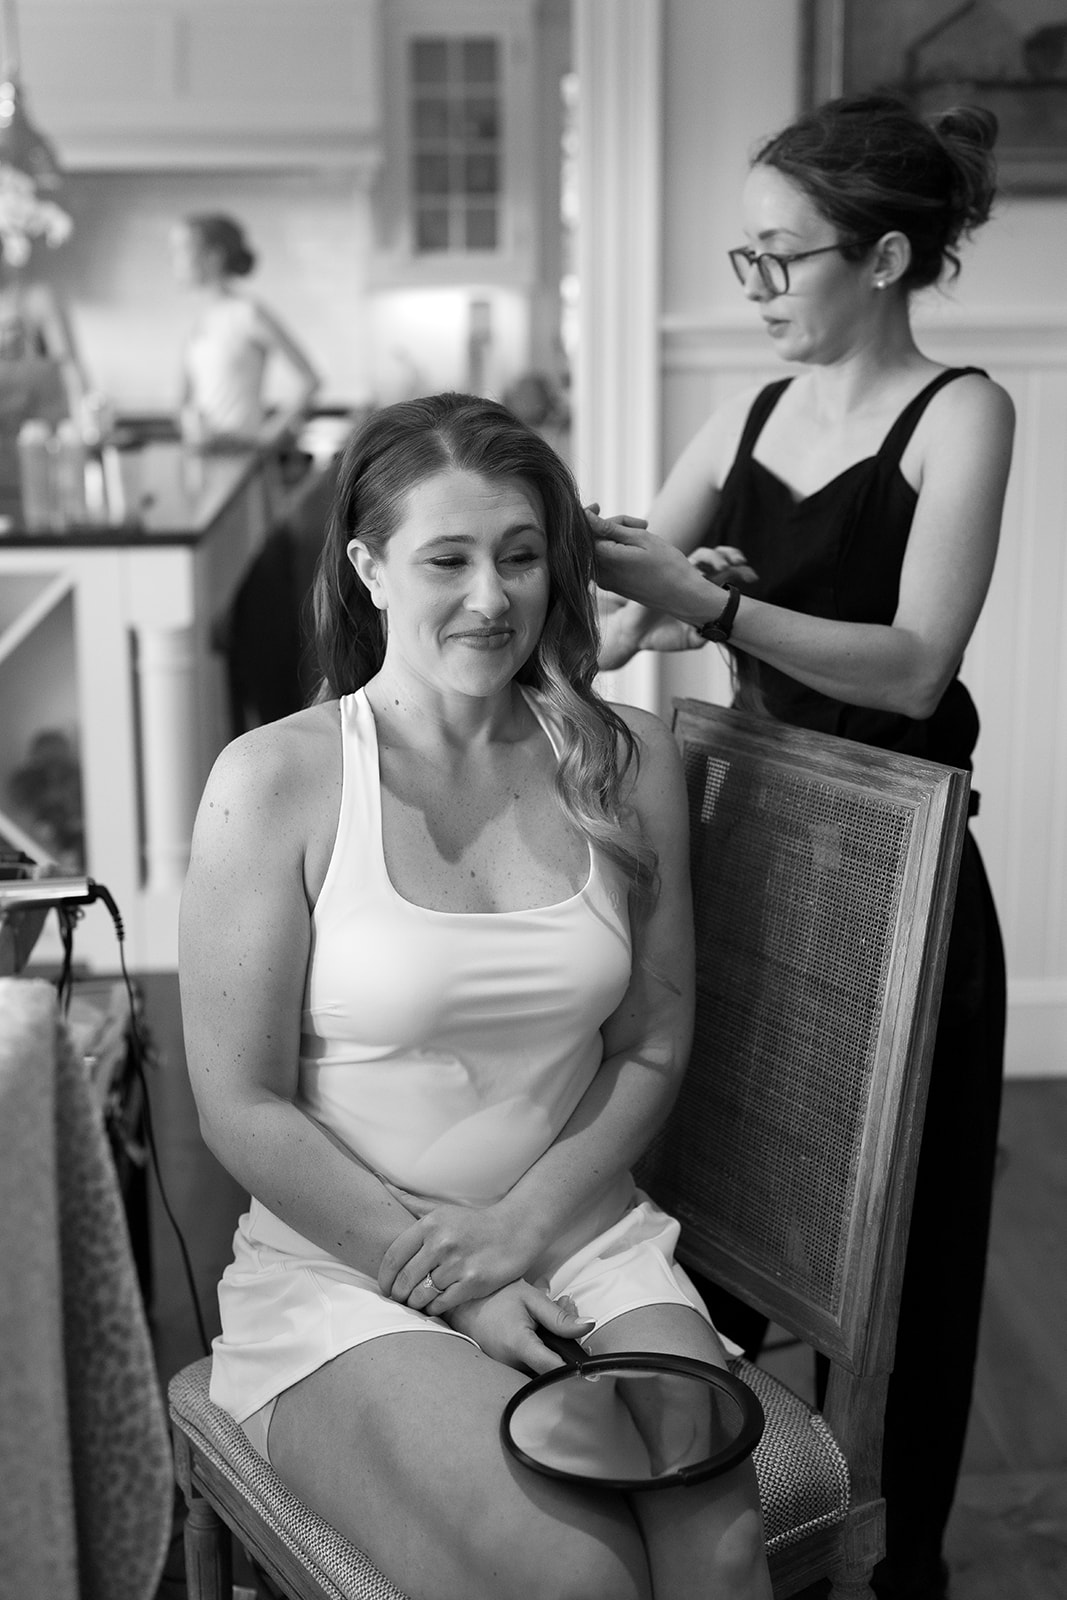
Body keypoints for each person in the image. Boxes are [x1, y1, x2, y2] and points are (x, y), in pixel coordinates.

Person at [179, 392, 772, 1600]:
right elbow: (238, 1106)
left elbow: (652, 1043)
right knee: (568, 1577)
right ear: (367, 568)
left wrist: (519, 1232)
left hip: (580, 1236)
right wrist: (459, 1276)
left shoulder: (624, 759)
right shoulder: (277, 779)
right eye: (445, 559)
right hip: (345, 1268)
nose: (492, 598)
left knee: (715, 1555)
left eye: (518, 556)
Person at [592, 93, 1014, 1600]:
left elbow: (910, 666)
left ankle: (889, 1561)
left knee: (895, 1254)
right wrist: (581, 562)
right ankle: (711, 1516)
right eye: (745, 257)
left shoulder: (958, 411)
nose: (755, 289)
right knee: (711, 1205)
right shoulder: (744, 417)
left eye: (783, 259)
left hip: (904, 895)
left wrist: (705, 604)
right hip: (755, 861)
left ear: (885, 256)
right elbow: (622, 616)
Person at [169, 212, 319, 450]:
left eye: (183, 249)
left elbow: (310, 381)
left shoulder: (248, 314)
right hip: (203, 458)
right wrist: (188, 422)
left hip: (243, 460)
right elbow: (185, 399)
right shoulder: (200, 320)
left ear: (213, 257)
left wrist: (268, 435)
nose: (175, 259)